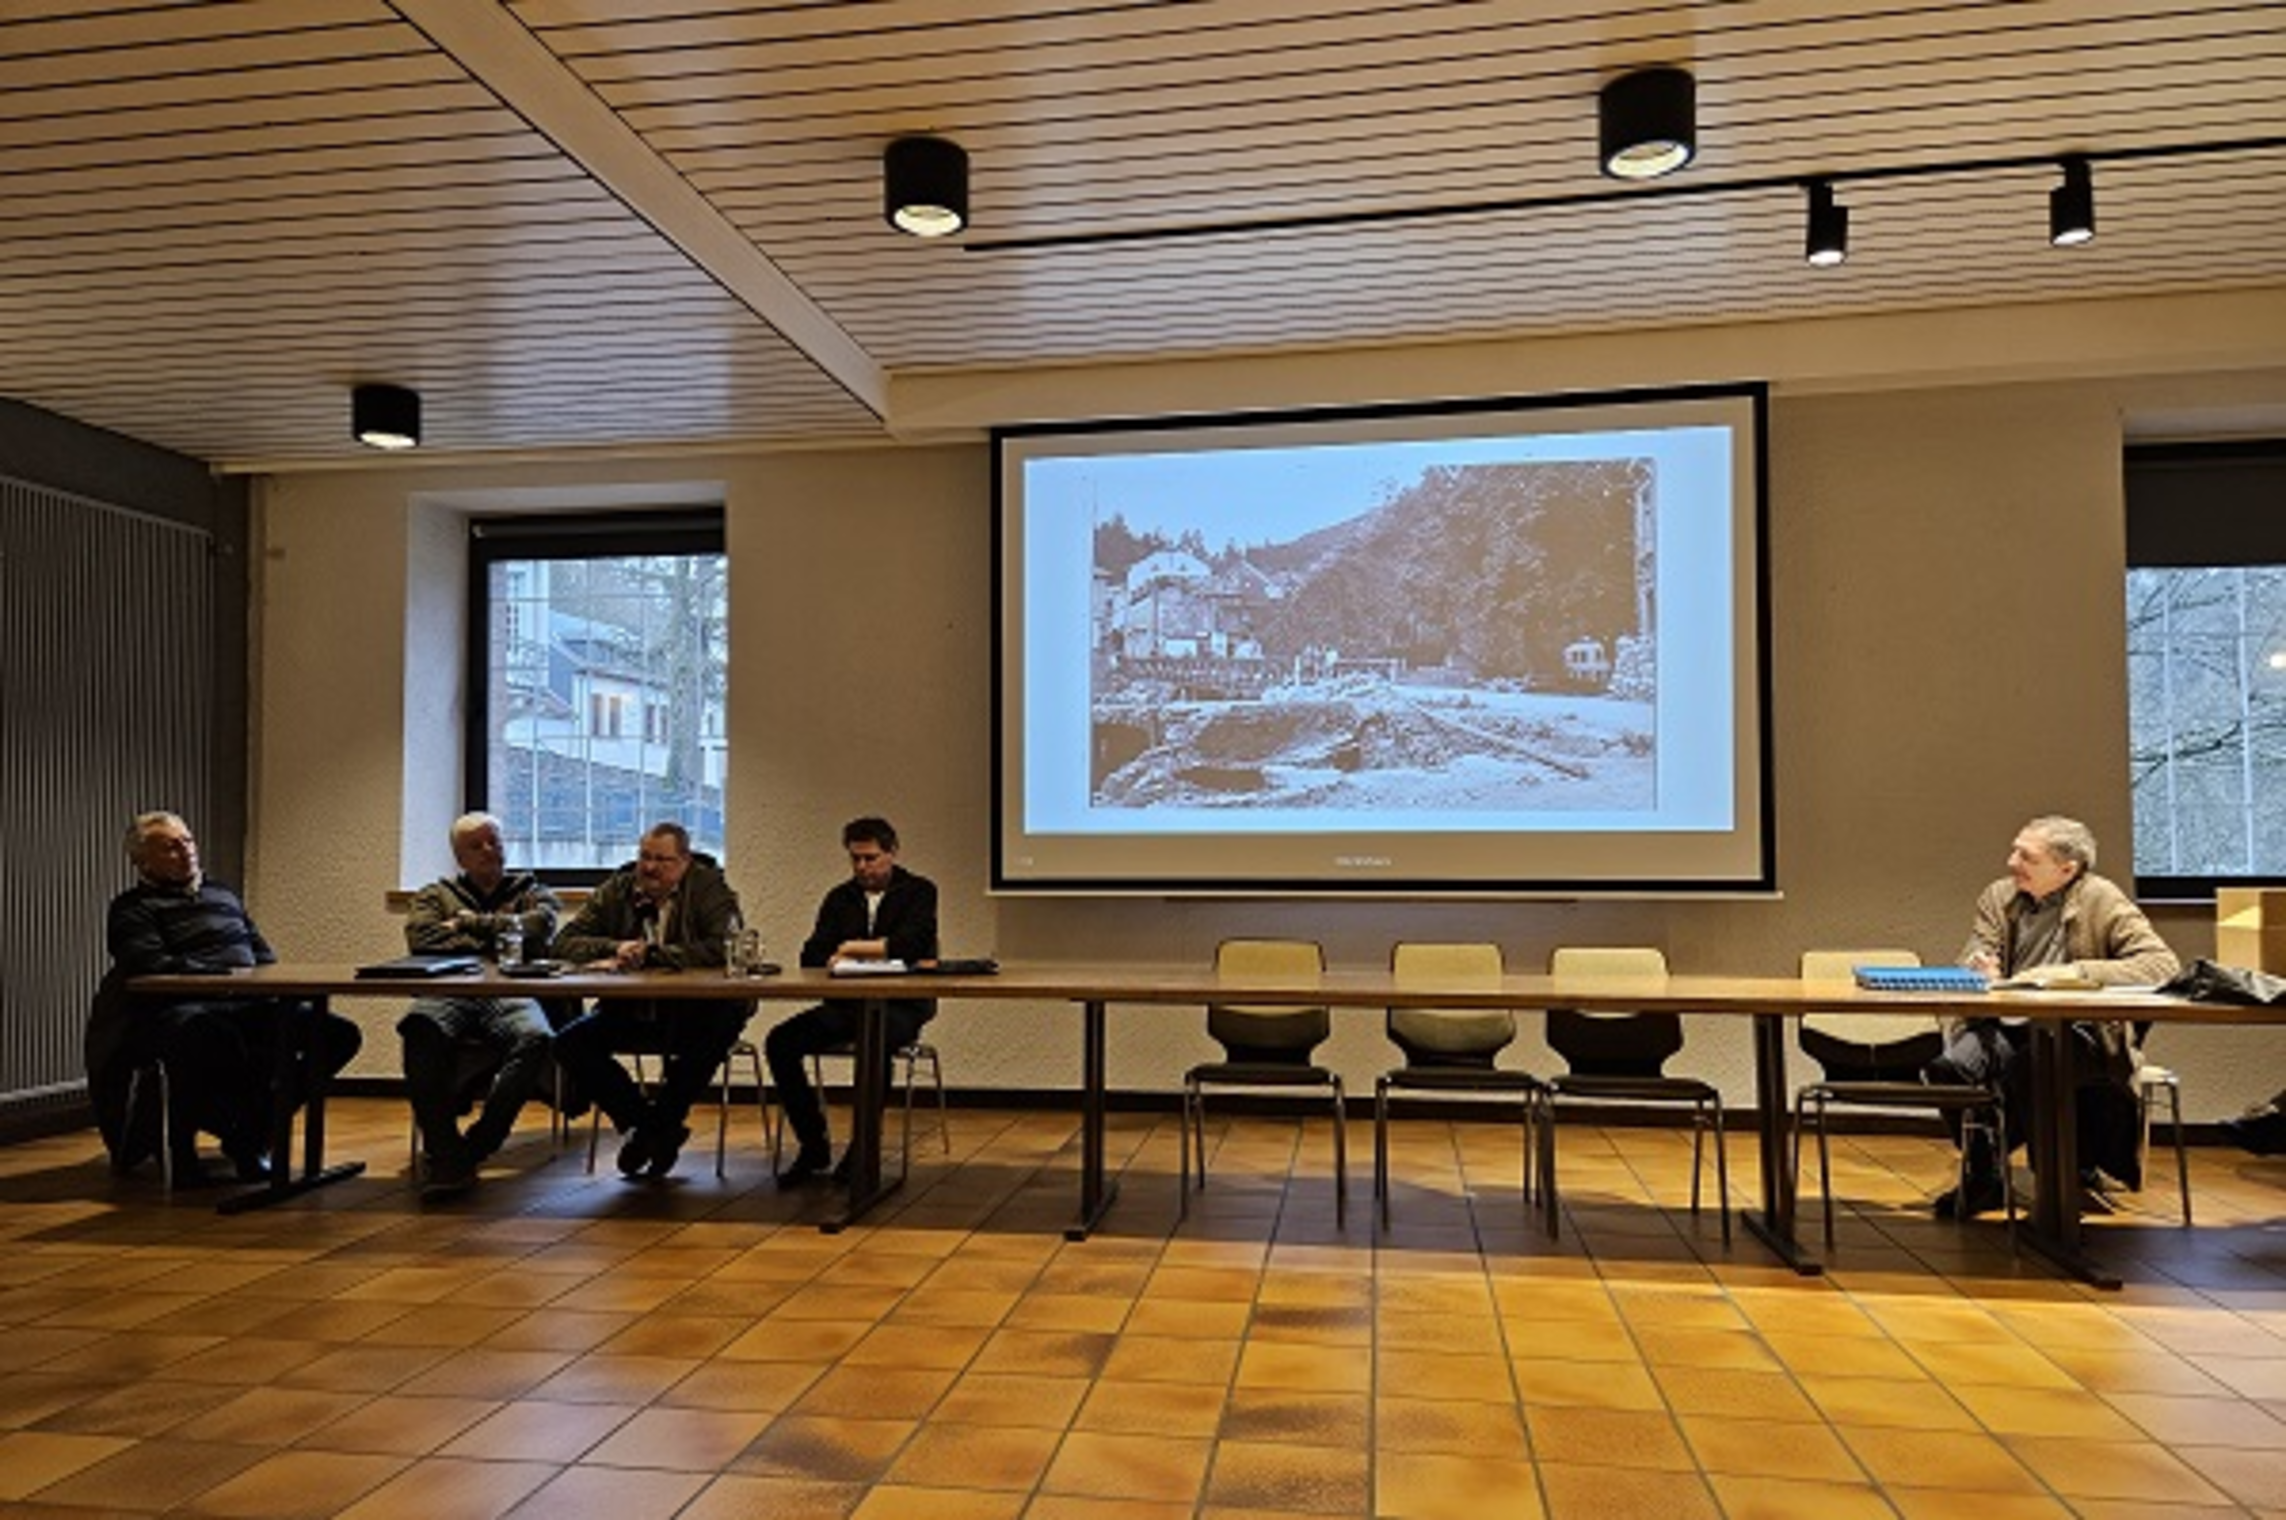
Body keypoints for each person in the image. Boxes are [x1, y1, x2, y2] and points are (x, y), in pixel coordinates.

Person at [1924, 815, 2180, 1218]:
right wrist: (1978, 967)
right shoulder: (1999, 896)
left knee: (2034, 1067)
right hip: (2006, 1024)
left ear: (2066, 869)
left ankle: (2056, 1188)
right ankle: (1985, 1173)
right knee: (1950, 1068)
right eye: (2014, 851)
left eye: (2026, 857)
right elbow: (1977, 949)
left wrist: (2077, 973)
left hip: (2078, 1032)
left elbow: (2161, 965)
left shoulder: (2100, 898)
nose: (2012, 862)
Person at [94, 811, 362, 1184]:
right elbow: (150, 965)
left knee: (337, 1034)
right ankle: (241, 1141)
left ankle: (252, 1131)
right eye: (171, 847)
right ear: (142, 861)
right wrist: (220, 974)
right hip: (177, 1011)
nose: (186, 851)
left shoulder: (222, 895)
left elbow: (262, 957)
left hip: (247, 1004)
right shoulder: (132, 908)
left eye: (188, 841)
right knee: (216, 1038)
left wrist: (260, 981)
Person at [551, 821, 748, 1179]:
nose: (650, 867)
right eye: (645, 857)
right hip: (632, 1008)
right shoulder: (619, 888)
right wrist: (615, 947)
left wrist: (653, 954)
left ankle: (657, 1126)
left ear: (685, 862)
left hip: (698, 1010)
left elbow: (723, 946)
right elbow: (564, 942)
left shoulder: (709, 887)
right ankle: (648, 1126)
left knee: (714, 1032)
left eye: (662, 860)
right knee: (570, 1043)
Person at [768, 816, 939, 1186]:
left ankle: (863, 1150)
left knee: (874, 1037)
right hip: (846, 1004)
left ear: (892, 853)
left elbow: (910, 944)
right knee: (780, 1042)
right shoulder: (839, 898)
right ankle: (813, 1144)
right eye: (856, 859)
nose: (862, 867)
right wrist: (862, 954)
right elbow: (812, 955)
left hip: (902, 1004)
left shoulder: (919, 891)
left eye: (871, 858)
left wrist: (849, 949)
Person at [399, 812, 561, 1198]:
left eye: (495, 842)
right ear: (460, 858)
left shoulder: (532, 890)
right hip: (449, 990)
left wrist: (466, 924)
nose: (489, 850)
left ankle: (480, 1142)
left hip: (510, 989)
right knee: (418, 1029)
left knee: (536, 1037)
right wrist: (501, 935)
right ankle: (445, 1153)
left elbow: (540, 927)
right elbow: (421, 938)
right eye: (477, 846)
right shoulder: (434, 895)